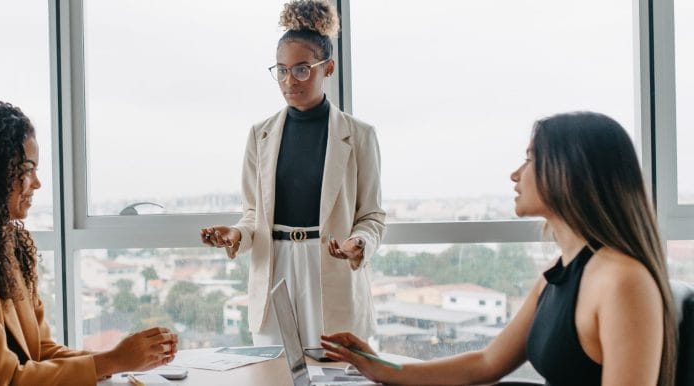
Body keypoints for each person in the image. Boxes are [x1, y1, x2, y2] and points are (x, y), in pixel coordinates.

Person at [322, 112, 678, 386]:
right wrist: (382, 367)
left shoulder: (622, 281)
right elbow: (488, 362)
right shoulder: (562, 270)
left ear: (571, 172)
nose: (515, 174)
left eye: (530, 158)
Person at [0, 100, 178, 385]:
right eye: (26, 169)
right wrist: (114, 360)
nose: (36, 183)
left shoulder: (10, 246)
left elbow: (40, 351)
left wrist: (118, 361)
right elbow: (2, 379)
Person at [200, 0, 385, 347]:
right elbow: (254, 214)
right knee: (275, 372)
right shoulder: (260, 134)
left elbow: (372, 215)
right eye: (281, 70)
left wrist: (359, 243)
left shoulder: (360, 136)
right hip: (274, 269)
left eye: (302, 69)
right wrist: (236, 234)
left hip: (330, 268)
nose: (289, 80)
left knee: (336, 368)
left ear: (328, 68)